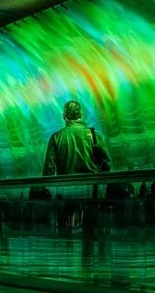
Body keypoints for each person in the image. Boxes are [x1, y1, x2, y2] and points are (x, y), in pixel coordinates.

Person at [41, 100, 109, 234]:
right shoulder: (93, 135)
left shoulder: (56, 137)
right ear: (81, 115)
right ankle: (89, 246)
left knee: (67, 225)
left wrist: (46, 188)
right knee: (90, 225)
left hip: (66, 189)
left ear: (64, 116)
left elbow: (49, 167)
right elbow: (106, 163)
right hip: (91, 188)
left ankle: (67, 246)